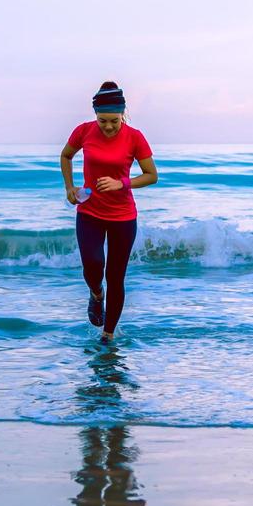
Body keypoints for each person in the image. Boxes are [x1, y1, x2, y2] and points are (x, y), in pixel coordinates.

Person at [60, 81, 158, 340]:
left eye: (114, 120)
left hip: (123, 217)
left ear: (122, 113)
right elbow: (66, 155)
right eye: (103, 120)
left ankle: (108, 335)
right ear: (95, 115)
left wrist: (121, 183)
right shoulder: (83, 131)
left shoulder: (135, 137)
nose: (108, 126)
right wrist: (70, 187)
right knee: (93, 265)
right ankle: (96, 294)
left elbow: (151, 175)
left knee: (116, 276)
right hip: (89, 212)